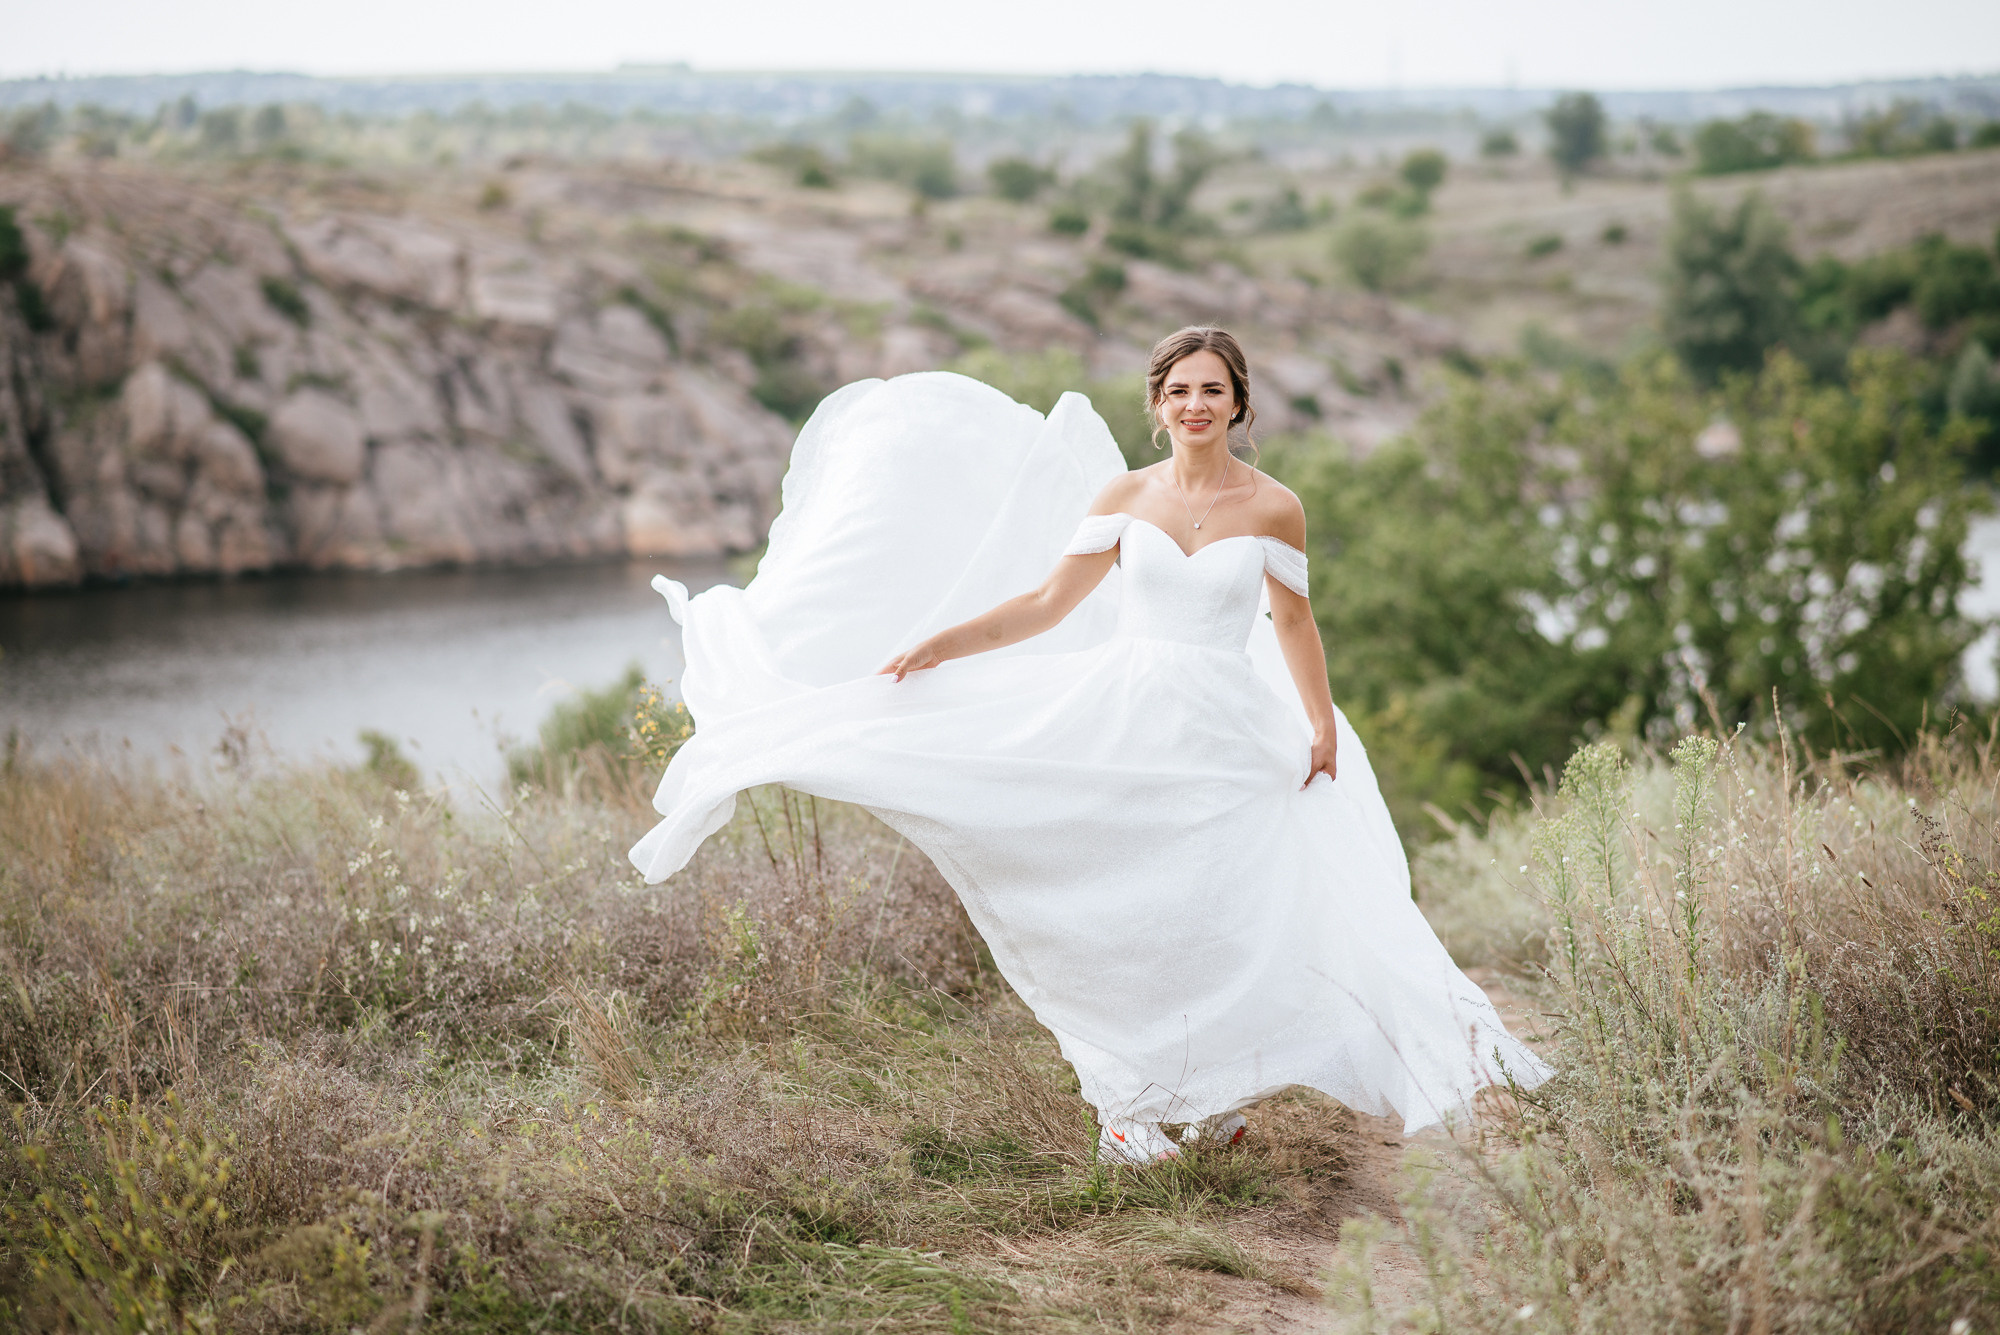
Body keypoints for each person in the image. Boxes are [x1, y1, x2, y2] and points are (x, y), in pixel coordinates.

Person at [630, 326, 1549, 1163]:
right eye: (1180, 390)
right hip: (1128, 717)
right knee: (1131, 902)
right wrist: (941, 643)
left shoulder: (1275, 507)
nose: (1196, 404)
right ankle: (1129, 1098)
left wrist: (1319, 720)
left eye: (1213, 390)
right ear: (1157, 406)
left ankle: (1216, 1089)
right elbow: (1044, 605)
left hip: (1229, 729)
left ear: (1239, 405)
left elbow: (1295, 621)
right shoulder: (1123, 497)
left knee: (1219, 904)